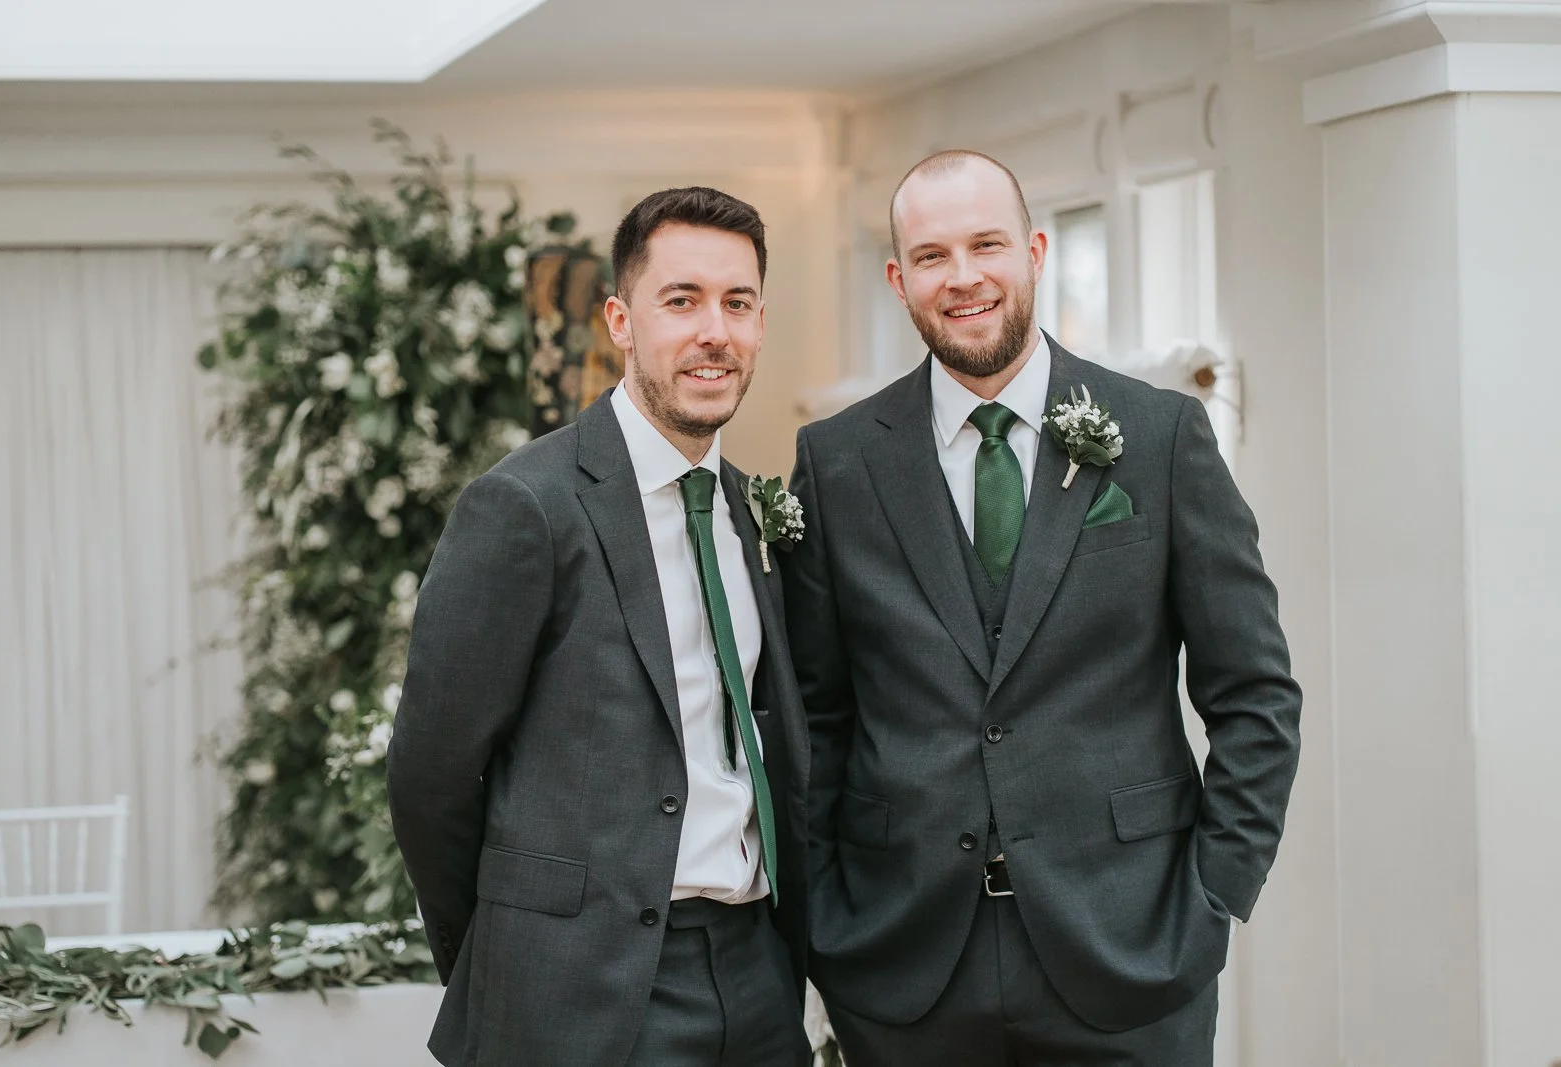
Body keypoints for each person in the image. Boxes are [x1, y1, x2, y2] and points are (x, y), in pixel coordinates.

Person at [783, 149, 1301, 1065]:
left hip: (1132, 952)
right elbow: (813, 717)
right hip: (903, 969)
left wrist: (1215, 894)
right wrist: (826, 915)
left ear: (1034, 252)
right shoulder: (836, 464)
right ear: (899, 279)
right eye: (932, 256)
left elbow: (1255, 693)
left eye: (986, 244)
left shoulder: (1161, 436)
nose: (963, 276)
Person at [388, 186, 812, 1067]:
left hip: (756, 979)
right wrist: (507, 964)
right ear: (621, 321)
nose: (715, 332)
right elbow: (431, 778)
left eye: (737, 304)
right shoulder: (525, 506)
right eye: (682, 300)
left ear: (761, 323)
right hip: (581, 996)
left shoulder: (750, 509)